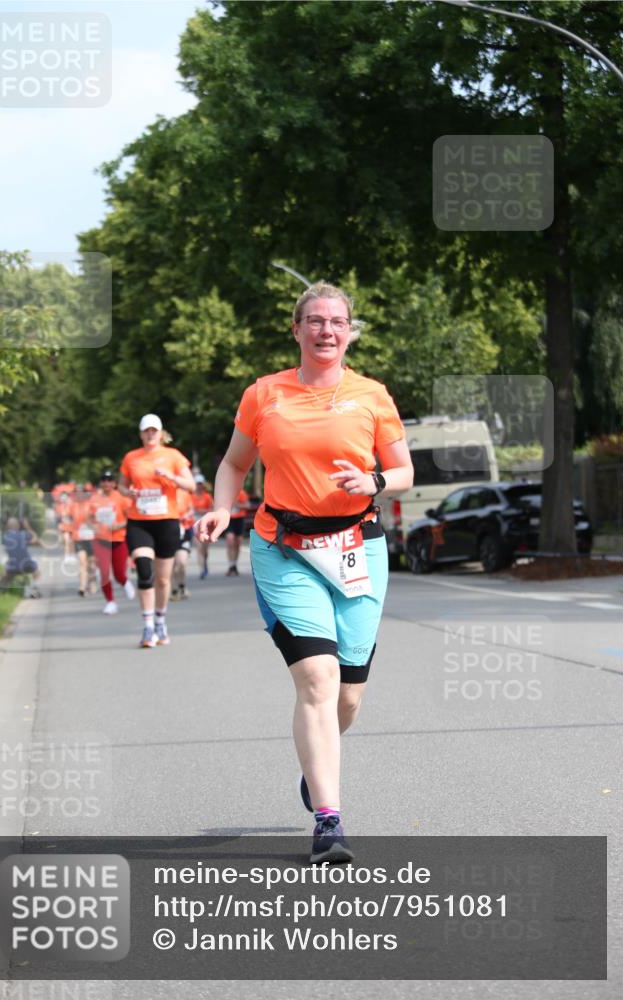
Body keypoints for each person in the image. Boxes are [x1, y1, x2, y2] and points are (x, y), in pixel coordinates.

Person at [197, 282, 413, 864]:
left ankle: (316, 768)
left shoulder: (372, 395)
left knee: (348, 695)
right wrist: (222, 506)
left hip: (357, 550)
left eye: (337, 321)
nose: (326, 330)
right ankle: (329, 820)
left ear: (349, 330)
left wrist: (372, 482)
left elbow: (403, 472)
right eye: (314, 321)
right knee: (316, 680)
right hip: (284, 547)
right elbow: (234, 463)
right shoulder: (265, 394)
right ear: (296, 330)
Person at [119, 414, 195, 647]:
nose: (150, 434)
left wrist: (172, 477)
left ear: (161, 433)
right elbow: (122, 486)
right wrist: (127, 492)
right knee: (144, 570)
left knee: (163, 580)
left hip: (166, 521)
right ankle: (148, 626)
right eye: (146, 431)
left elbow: (190, 486)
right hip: (139, 521)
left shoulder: (173, 456)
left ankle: (161, 619)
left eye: (154, 431)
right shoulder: (132, 457)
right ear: (141, 434)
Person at [89, 470, 136, 614]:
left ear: (114, 483)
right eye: (103, 480)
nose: (106, 483)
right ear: (100, 483)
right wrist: (94, 526)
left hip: (118, 539)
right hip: (101, 540)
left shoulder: (121, 497)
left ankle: (125, 582)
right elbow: (90, 519)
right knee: (104, 573)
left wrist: (119, 525)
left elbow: (131, 518)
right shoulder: (95, 499)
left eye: (109, 480)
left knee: (118, 573)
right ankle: (110, 602)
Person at [1, 516, 41, 597]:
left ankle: (3, 591)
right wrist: (27, 527)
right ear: (18, 526)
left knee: (5, 571)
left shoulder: (5, 536)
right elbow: (36, 540)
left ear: (8, 527)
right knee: (37, 571)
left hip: (12, 566)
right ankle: (34, 590)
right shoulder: (23, 535)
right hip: (26, 565)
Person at [71, 484, 98, 597]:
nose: (79, 494)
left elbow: (97, 520)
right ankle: (82, 586)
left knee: (91, 564)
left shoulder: (91, 505)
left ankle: (92, 581)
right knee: (82, 562)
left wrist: (91, 524)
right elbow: (68, 521)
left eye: (81, 491)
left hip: (91, 537)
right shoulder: (72, 506)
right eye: (76, 492)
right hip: (79, 537)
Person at [171, 486, 195, 600]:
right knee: (171, 564)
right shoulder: (163, 493)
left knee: (181, 562)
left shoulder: (184, 493)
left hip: (183, 531)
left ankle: (182, 585)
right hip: (168, 531)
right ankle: (174, 589)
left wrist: (186, 515)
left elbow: (191, 509)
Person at [191, 474, 213, 579]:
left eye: (200, 484)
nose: (199, 486)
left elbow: (212, 510)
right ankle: (202, 569)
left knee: (205, 549)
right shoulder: (190, 496)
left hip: (206, 524)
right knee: (199, 548)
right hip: (195, 524)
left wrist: (202, 511)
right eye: (197, 484)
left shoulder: (207, 496)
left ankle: (205, 562)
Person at [224, 487, 248, 576]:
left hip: (239, 518)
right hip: (229, 518)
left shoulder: (241, 493)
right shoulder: (226, 492)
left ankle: (234, 564)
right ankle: (231, 565)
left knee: (238, 543)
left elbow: (247, 505)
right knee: (230, 540)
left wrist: (237, 504)